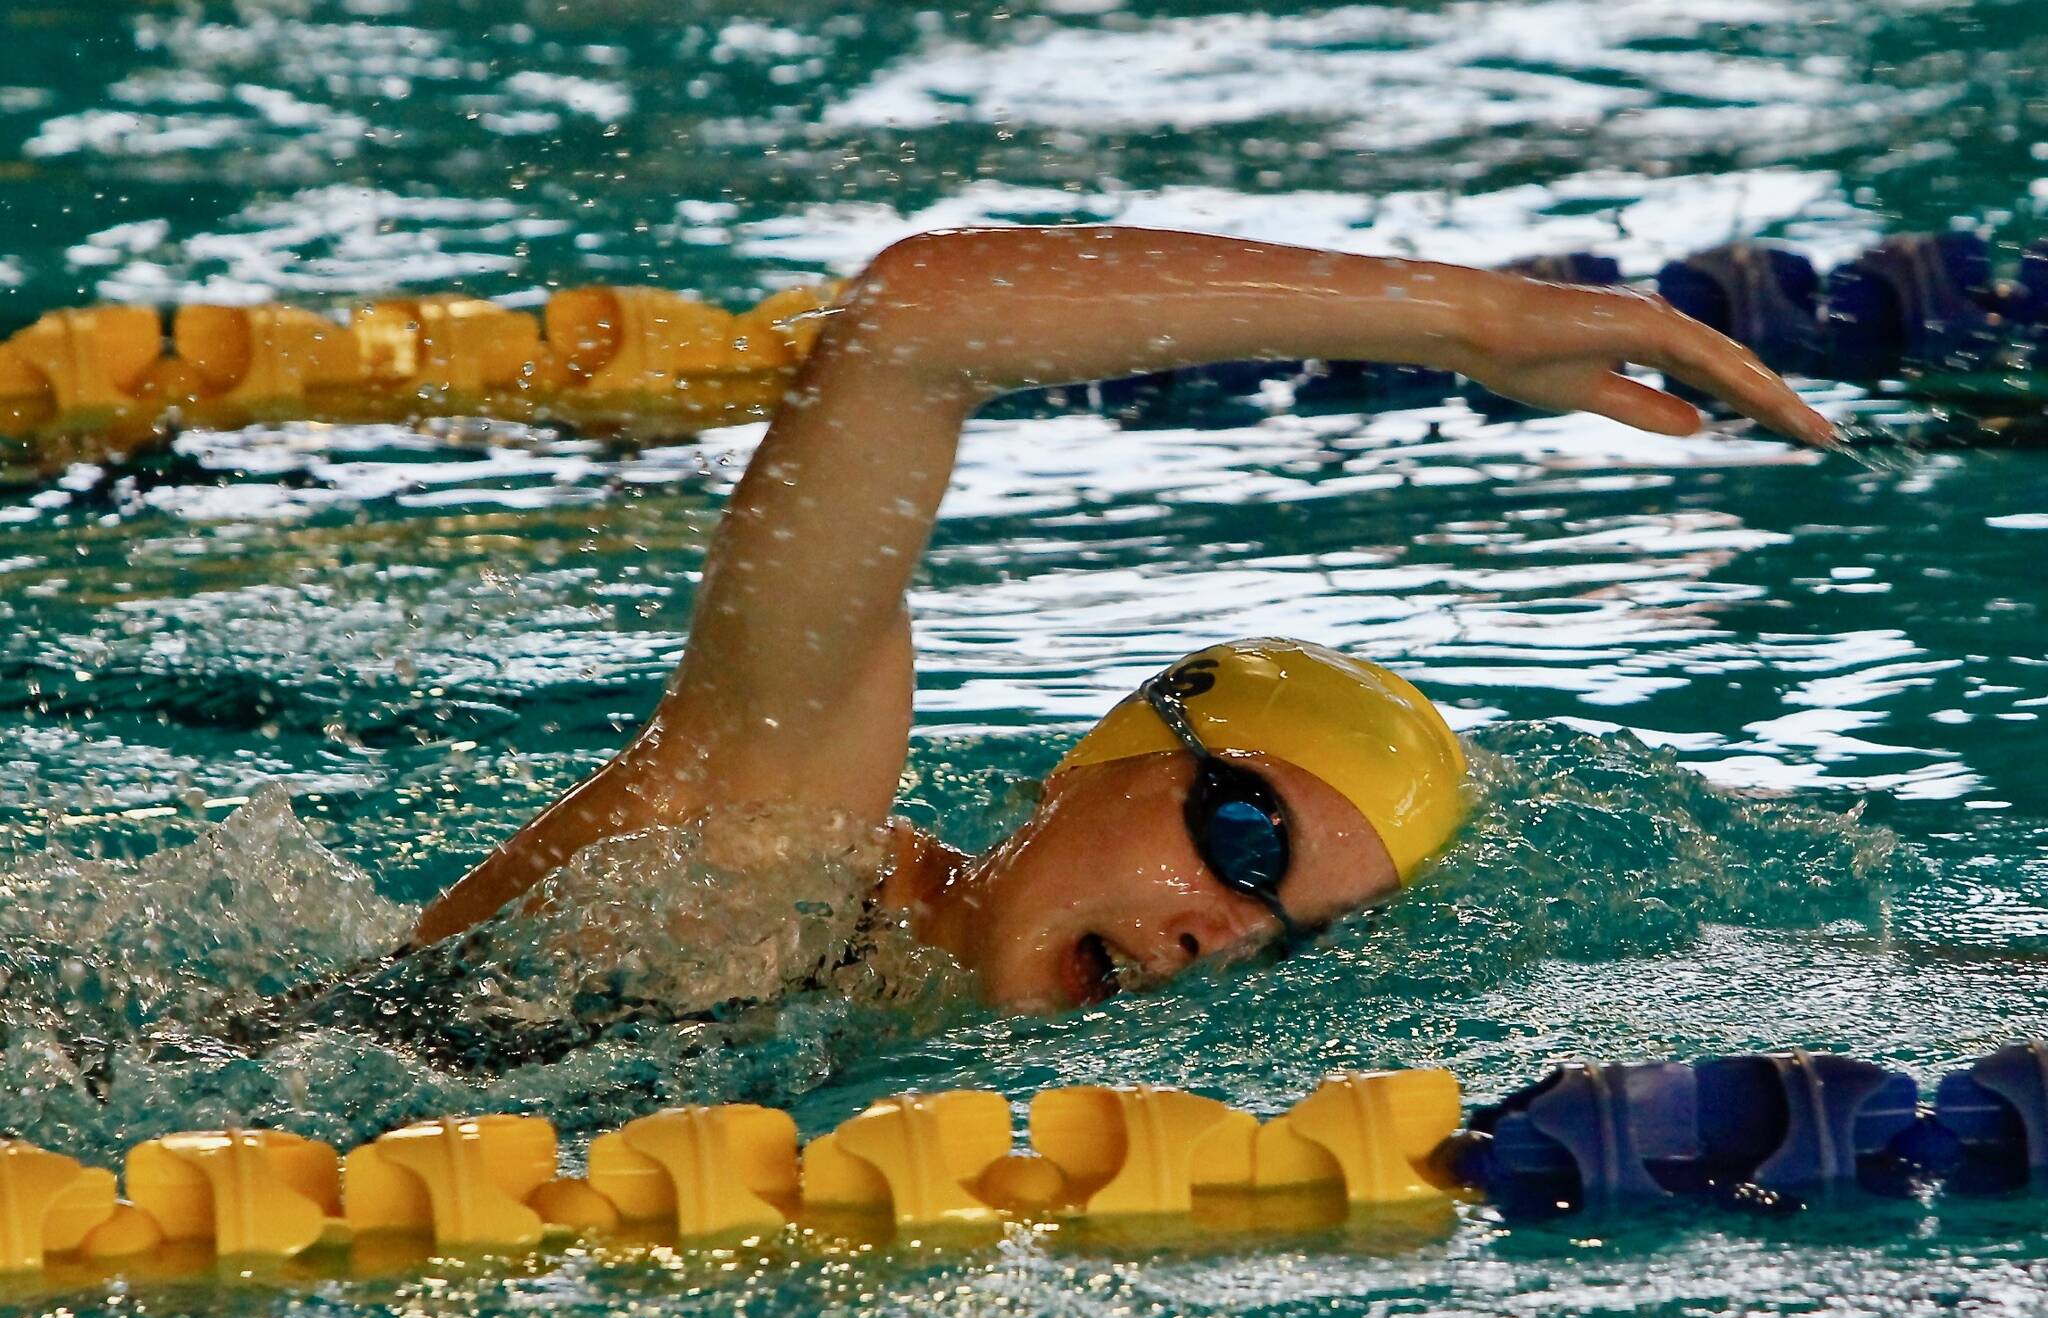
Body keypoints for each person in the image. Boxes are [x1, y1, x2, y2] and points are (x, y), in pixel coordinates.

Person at [409, 226, 1835, 1012]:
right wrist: (1469, 324)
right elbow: (912, 325)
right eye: (1242, 836)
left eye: (1297, 931)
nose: (1227, 929)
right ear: (1097, 760)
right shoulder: (769, 852)